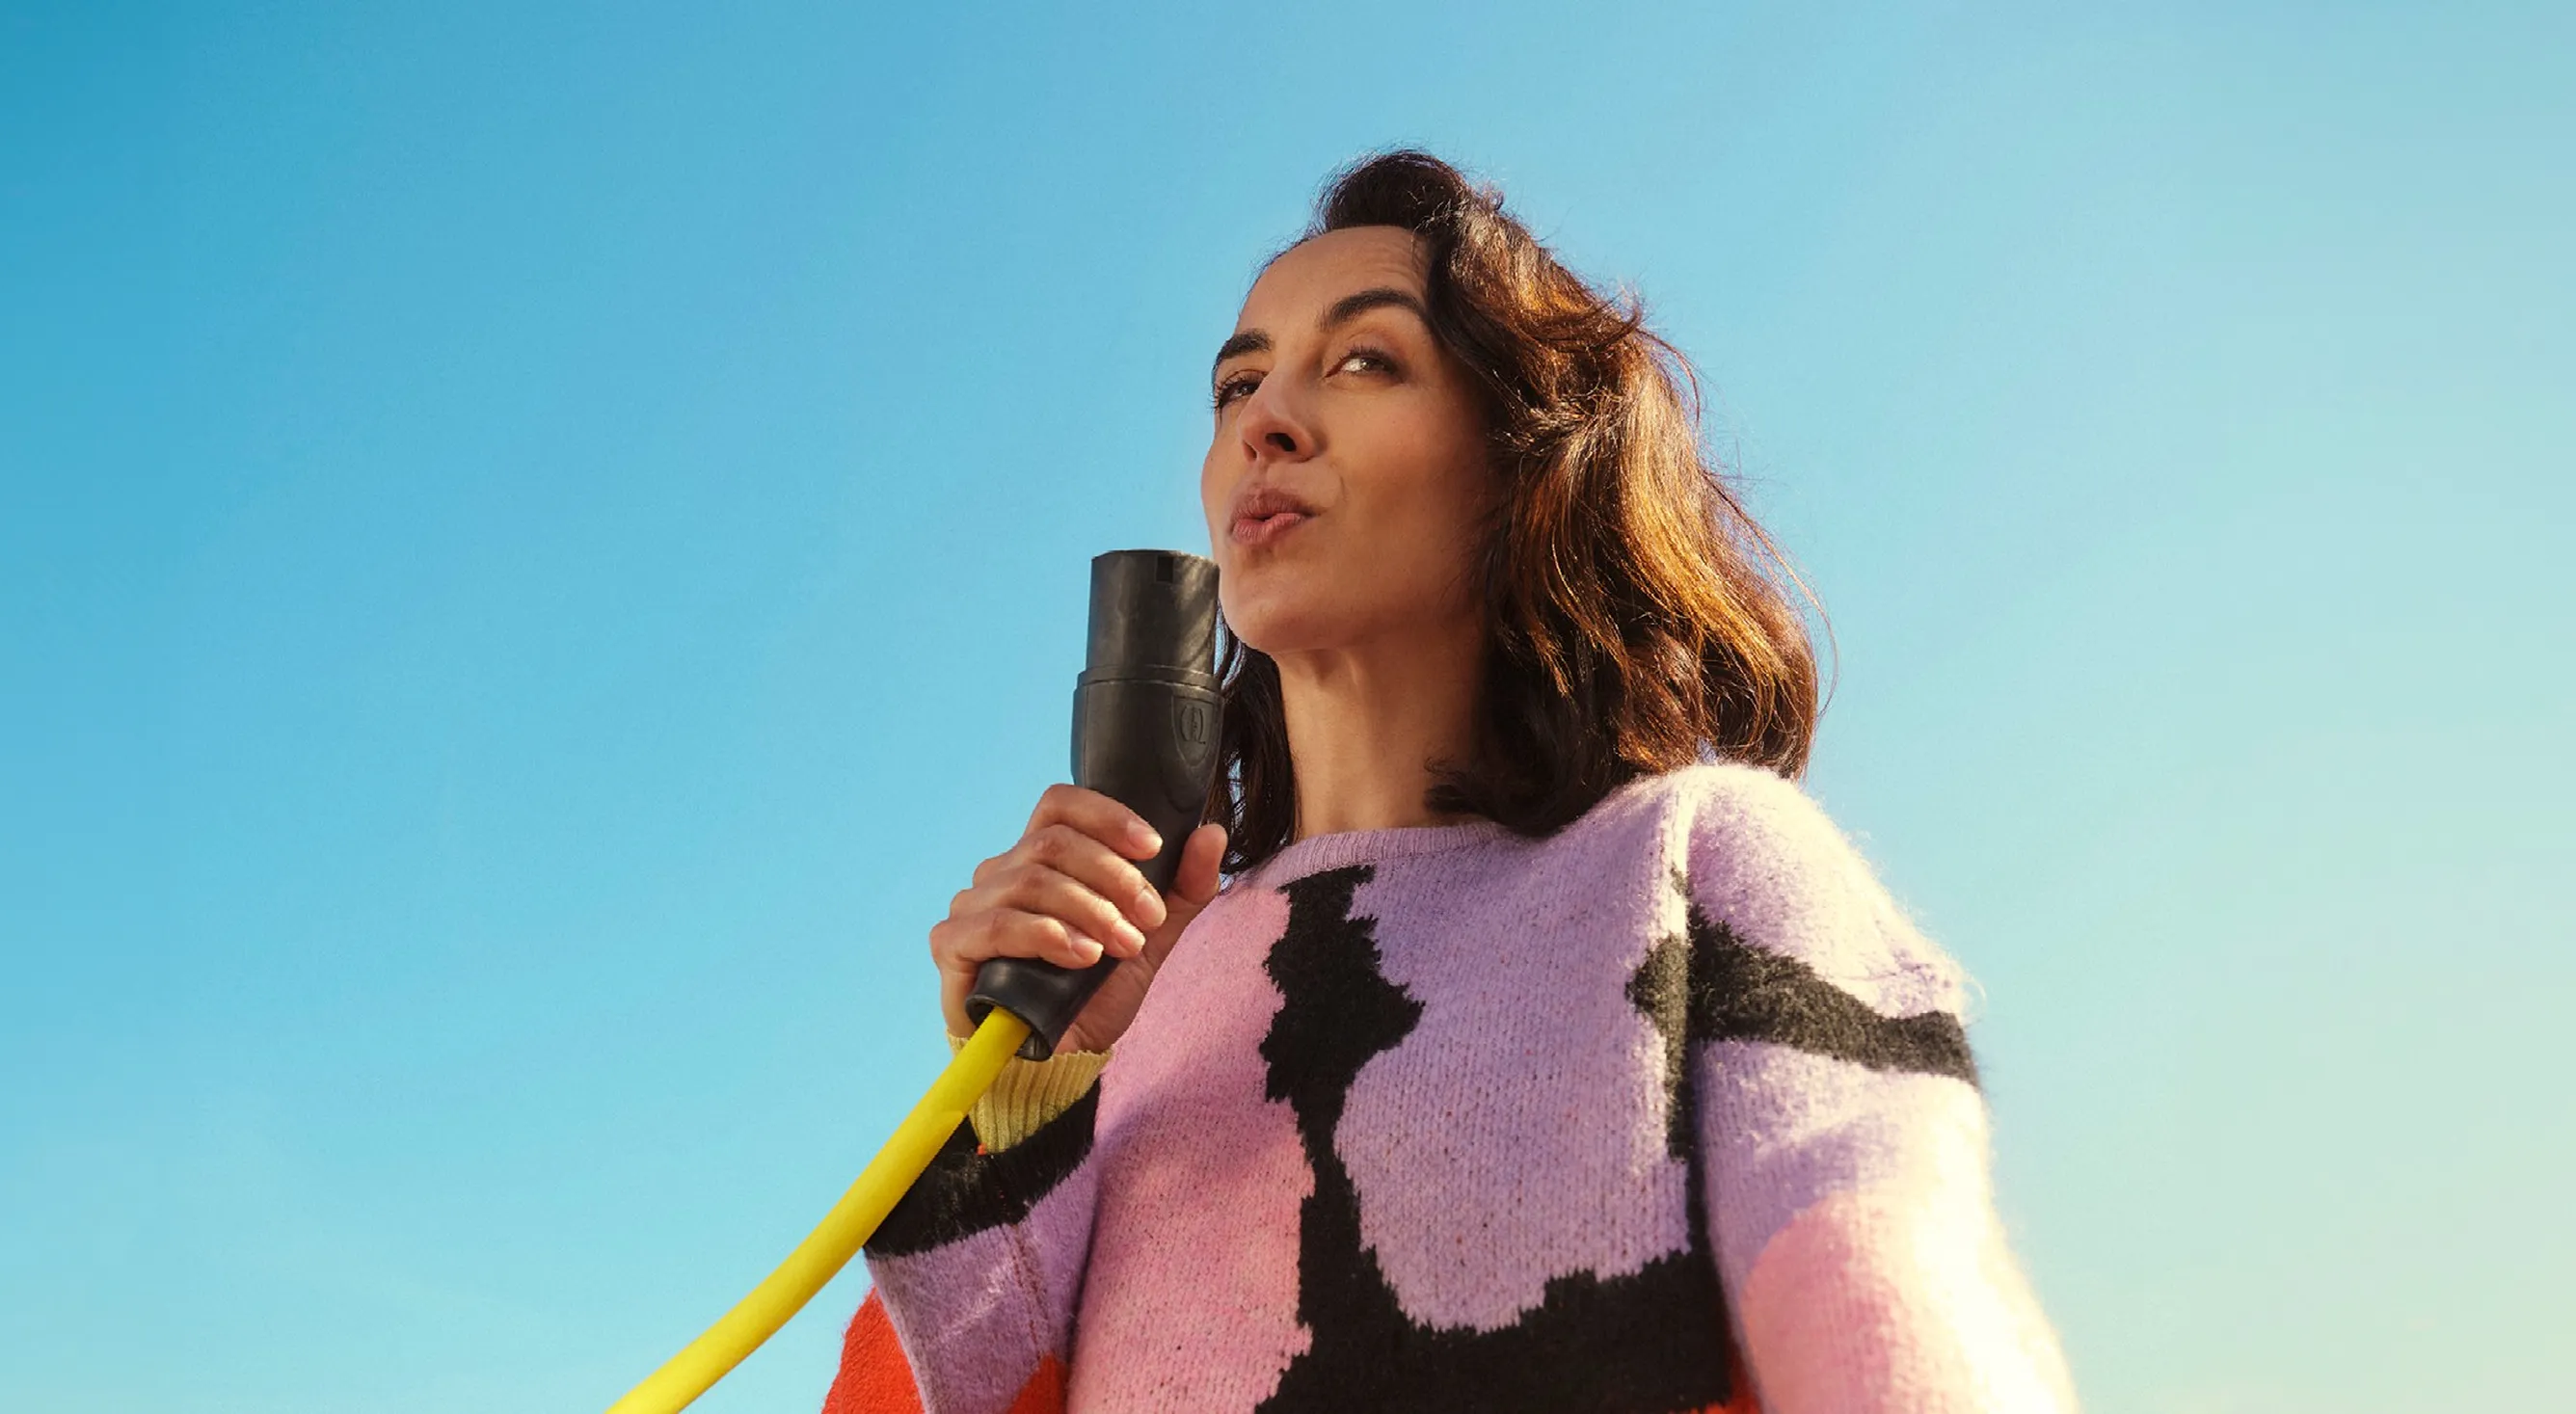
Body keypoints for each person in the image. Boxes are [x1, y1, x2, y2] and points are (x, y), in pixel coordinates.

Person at [820, 151, 2077, 1414]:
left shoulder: (1700, 870)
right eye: (1236, 381)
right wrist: (1031, 1103)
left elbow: (1895, 1329)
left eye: (1366, 360)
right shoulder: (1138, 1003)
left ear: (1526, 458)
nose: (1264, 420)